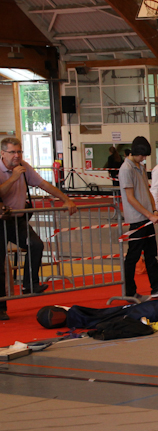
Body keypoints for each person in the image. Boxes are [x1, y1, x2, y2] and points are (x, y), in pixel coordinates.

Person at [0, 137, 78, 320]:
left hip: (18, 220)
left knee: (35, 244)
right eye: (12, 152)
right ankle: (1, 307)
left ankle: (30, 284)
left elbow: (43, 184)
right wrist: (13, 178)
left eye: (19, 152)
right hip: (1, 221)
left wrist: (65, 199)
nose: (17, 155)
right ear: (3, 153)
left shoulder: (24, 167)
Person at [118, 136, 158, 298]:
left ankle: (157, 287)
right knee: (133, 256)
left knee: (151, 254)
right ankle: (129, 291)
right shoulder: (126, 169)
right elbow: (130, 198)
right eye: (142, 155)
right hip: (137, 219)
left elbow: (147, 190)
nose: (144, 158)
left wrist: (154, 210)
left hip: (147, 217)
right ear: (135, 152)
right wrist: (149, 214)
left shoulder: (140, 167)